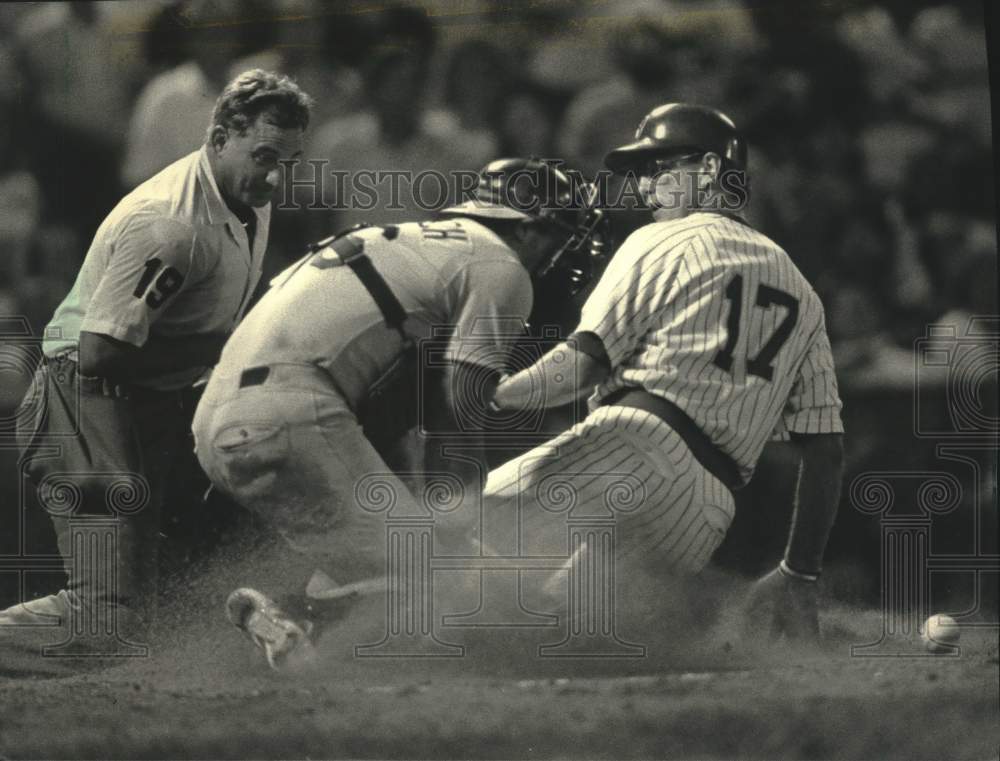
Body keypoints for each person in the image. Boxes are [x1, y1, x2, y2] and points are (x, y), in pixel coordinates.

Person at [191, 158, 607, 668]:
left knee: (372, 554)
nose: (566, 250)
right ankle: (311, 628)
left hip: (219, 424)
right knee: (451, 576)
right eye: (562, 230)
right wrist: (458, 500)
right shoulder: (501, 264)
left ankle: (293, 623)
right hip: (291, 412)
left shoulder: (409, 241)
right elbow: (464, 395)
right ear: (526, 223)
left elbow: (394, 405)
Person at [486, 104, 845, 639]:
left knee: (454, 527)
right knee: (552, 633)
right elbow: (825, 449)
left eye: (660, 168)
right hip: (702, 514)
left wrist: (490, 393)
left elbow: (581, 367)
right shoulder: (803, 292)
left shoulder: (662, 240)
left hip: (630, 449)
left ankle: (338, 626)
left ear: (706, 170)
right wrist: (801, 570)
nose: (645, 185)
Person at [0, 70, 313, 648]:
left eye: (289, 162)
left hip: (150, 400)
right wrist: (241, 344)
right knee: (103, 621)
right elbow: (98, 354)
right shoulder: (173, 226)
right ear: (220, 137)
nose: (275, 176)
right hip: (79, 401)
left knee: (142, 609)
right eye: (265, 155)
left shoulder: (245, 192)